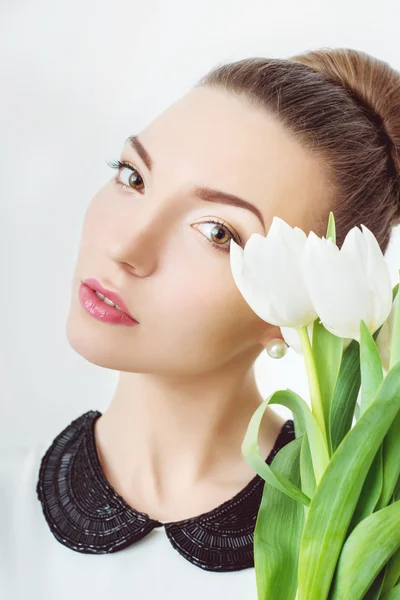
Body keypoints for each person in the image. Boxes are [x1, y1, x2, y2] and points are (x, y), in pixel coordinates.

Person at [1, 47, 400, 600]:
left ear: (304, 306)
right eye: (133, 176)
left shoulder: (366, 555)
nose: (126, 247)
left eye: (216, 232)